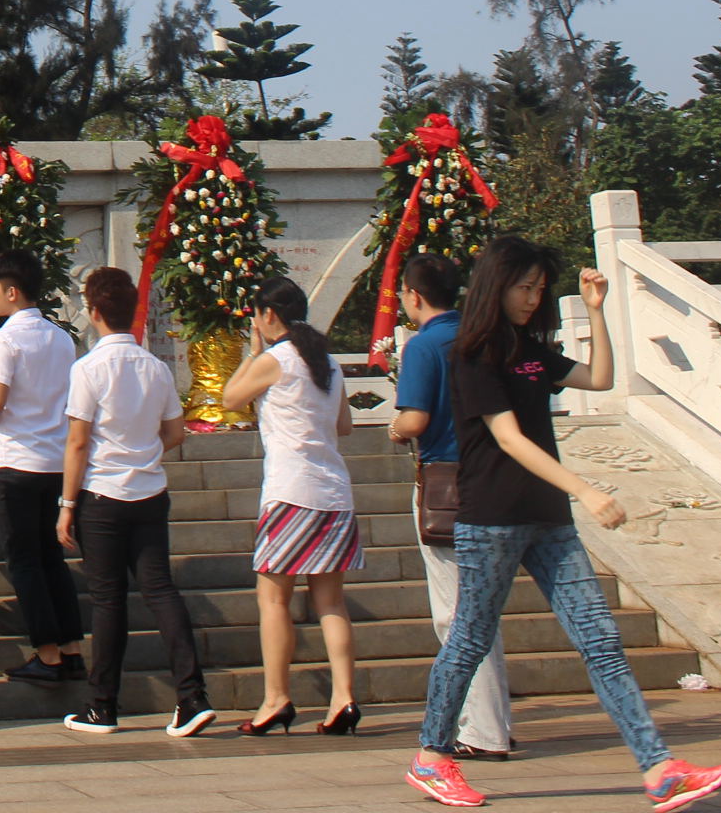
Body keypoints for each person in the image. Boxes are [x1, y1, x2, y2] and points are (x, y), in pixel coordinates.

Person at [407, 239, 721, 813]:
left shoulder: (530, 350)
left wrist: (597, 312)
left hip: (548, 520)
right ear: (496, 286)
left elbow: (600, 378)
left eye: (538, 288)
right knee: (470, 640)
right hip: (493, 519)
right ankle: (432, 757)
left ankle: (659, 769)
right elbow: (508, 438)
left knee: (600, 640)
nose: (532, 298)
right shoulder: (473, 353)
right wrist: (584, 488)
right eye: (523, 287)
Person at [57, 265, 214, 738]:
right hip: (149, 492)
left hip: (102, 496)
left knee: (108, 601)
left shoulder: (88, 369)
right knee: (160, 590)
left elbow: (77, 442)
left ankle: (102, 705)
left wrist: (66, 505)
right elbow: (175, 432)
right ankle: (192, 696)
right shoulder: (155, 368)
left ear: (94, 312)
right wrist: (144, 452)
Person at [221, 277, 362, 736]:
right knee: (331, 601)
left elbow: (229, 398)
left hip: (290, 492)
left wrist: (252, 352)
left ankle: (276, 698)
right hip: (334, 493)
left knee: (274, 598)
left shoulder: (275, 360)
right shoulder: (328, 361)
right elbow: (344, 424)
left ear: (267, 315)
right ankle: (343, 697)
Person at [389, 252, 512, 759]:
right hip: (494, 477)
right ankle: (494, 722)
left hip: (445, 484)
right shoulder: (486, 335)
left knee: (456, 613)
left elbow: (415, 419)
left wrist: (396, 428)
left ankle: (482, 731)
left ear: (413, 295)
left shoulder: (424, 344)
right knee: (482, 609)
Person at [0, 252, 84, 684]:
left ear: (12, 292)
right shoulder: (60, 338)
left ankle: (47, 654)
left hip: (17, 461)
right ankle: (72, 650)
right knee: (52, 559)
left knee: (24, 562)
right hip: (56, 461)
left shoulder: (6, 339)